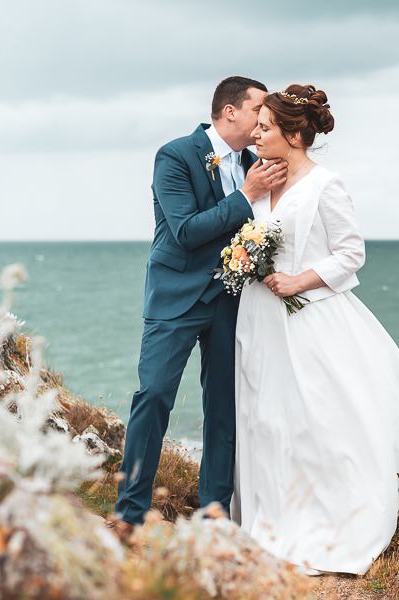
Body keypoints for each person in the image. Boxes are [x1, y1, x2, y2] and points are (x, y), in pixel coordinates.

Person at [231, 84, 399, 575]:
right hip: (258, 317)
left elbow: (351, 253)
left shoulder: (325, 184)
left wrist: (298, 281)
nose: (255, 133)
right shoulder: (259, 180)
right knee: (264, 418)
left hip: (307, 316)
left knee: (316, 419)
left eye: (265, 127)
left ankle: (328, 525)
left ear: (293, 133)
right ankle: (268, 523)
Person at [107, 76, 289, 543]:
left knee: (224, 406)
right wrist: (246, 195)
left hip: (233, 300)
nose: (261, 122)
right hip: (177, 296)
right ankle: (130, 513)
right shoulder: (175, 155)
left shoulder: (256, 163)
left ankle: (214, 516)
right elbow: (186, 230)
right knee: (153, 397)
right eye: (256, 112)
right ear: (230, 112)